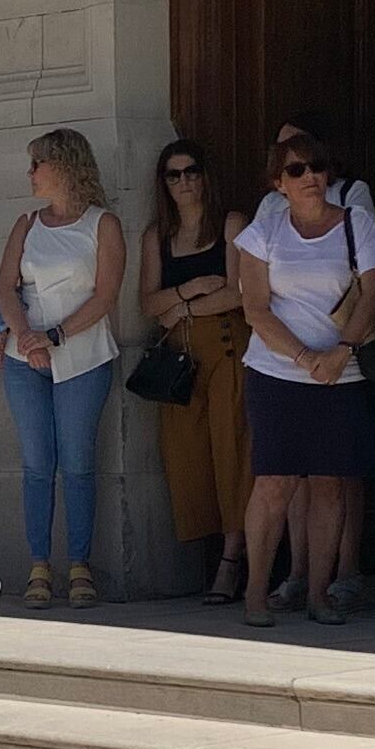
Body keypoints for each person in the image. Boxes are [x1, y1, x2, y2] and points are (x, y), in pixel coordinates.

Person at [232, 129, 375, 626]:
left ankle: (320, 594)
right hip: (277, 373)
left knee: (330, 485)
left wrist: (341, 353)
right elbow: (255, 309)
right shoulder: (262, 232)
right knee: (274, 482)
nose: (310, 178)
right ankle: (256, 594)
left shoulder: (355, 224)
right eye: (296, 170)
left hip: (340, 373)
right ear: (278, 182)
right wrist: (306, 358)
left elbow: (373, 294)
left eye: (318, 167)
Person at [0, 127, 125, 608]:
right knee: (36, 465)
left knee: (78, 463)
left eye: (37, 163)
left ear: (64, 166)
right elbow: (5, 288)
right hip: (25, 359)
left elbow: (106, 296)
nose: (30, 174)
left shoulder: (102, 224)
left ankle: (81, 565)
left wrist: (55, 336)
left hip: (83, 355)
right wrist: (27, 337)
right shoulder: (26, 223)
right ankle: (39, 565)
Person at [140, 140, 253, 603]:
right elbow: (148, 304)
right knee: (185, 455)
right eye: (173, 174)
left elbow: (239, 292)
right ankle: (208, 556)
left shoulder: (231, 223)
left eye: (191, 172)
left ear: (205, 175)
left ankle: (232, 560)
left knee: (233, 453)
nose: (183, 182)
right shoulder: (156, 236)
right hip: (180, 358)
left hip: (228, 346)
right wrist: (187, 292)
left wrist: (180, 307)